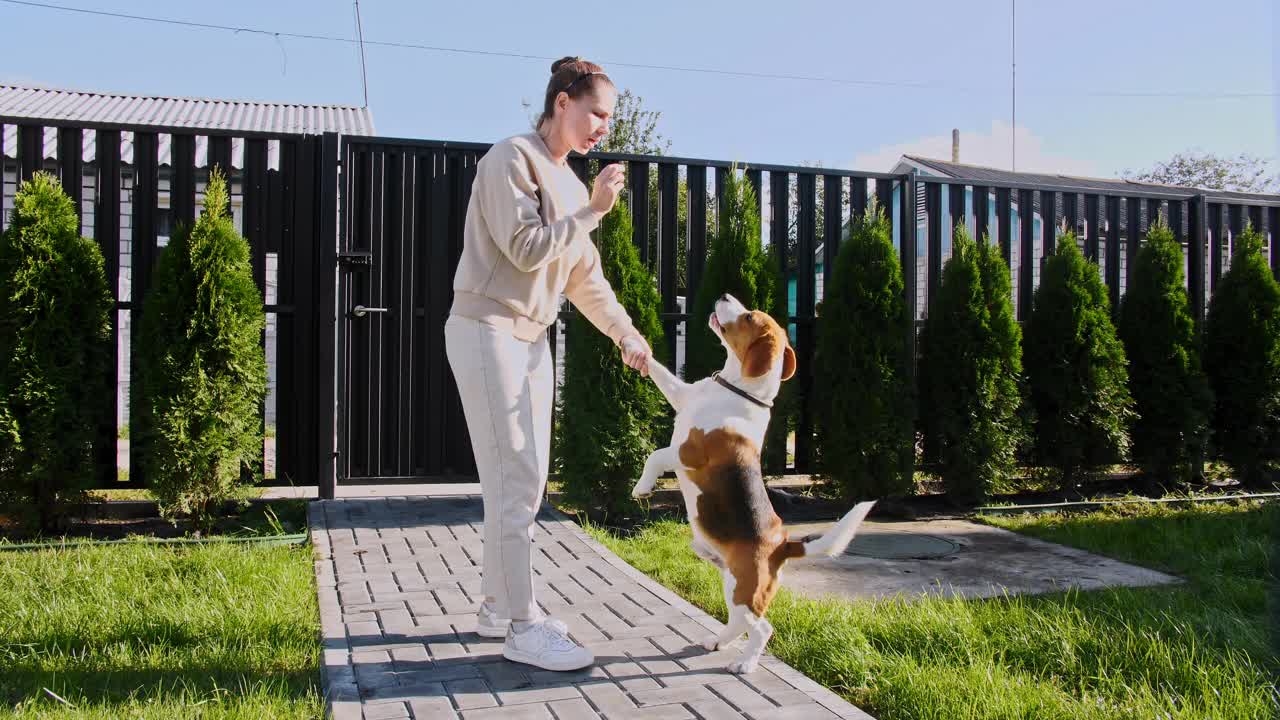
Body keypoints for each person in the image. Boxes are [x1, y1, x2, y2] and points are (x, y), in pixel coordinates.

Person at [444, 56, 652, 672]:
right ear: (562, 101)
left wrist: (626, 334)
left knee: (523, 484)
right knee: (515, 482)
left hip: (532, 341)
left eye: (609, 120)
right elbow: (528, 248)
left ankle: (493, 606)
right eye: (596, 113)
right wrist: (592, 211)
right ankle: (522, 625)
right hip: (487, 329)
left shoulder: (566, 180)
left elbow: (586, 279)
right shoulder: (510, 158)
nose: (602, 129)